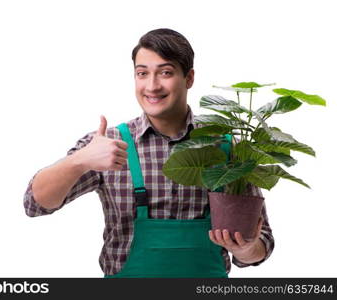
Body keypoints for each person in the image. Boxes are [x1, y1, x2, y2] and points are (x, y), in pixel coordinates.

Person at [23, 28, 274, 278]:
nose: (152, 86)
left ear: (189, 78)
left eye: (165, 72)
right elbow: (35, 204)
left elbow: (262, 244)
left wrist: (247, 249)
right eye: (142, 73)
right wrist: (79, 161)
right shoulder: (108, 144)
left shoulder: (227, 147)